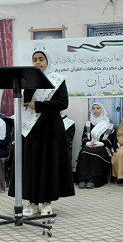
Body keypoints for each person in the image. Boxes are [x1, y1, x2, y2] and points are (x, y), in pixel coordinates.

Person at [9, 47, 75, 217]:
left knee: (48, 164)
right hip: (31, 129)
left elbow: (63, 103)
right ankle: (32, 202)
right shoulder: (28, 80)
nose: (37, 62)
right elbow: (24, 104)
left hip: (50, 128)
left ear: (47, 61)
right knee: (31, 164)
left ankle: (46, 202)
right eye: (35, 59)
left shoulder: (57, 80)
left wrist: (38, 105)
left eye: (41, 59)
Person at [75, 102, 116, 189]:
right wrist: (88, 143)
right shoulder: (88, 123)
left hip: (103, 148)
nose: (95, 110)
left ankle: (94, 180)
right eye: (93, 108)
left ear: (102, 110)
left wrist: (100, 143)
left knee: (96, 153)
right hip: (89, 146)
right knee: (84, 152)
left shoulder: (109, 124)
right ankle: (83, 180)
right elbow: (84, 137)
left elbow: (111, 140)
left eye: (98, 108)